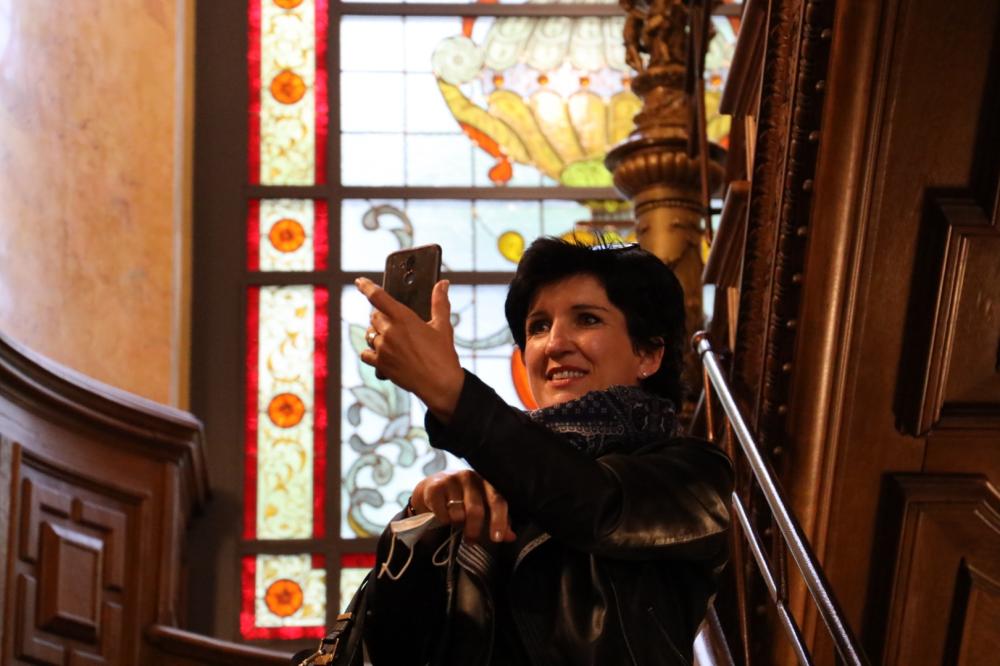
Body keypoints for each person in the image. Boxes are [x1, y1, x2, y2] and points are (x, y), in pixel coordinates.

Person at [353, 238, 732, 666]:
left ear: (648, 354)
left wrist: (452, 394)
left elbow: (594, 505)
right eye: (538, 327)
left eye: (587, 319)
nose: (554, 344)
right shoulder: (490, 484)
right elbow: (387, 649)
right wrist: (417, 523)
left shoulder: (697, 476)